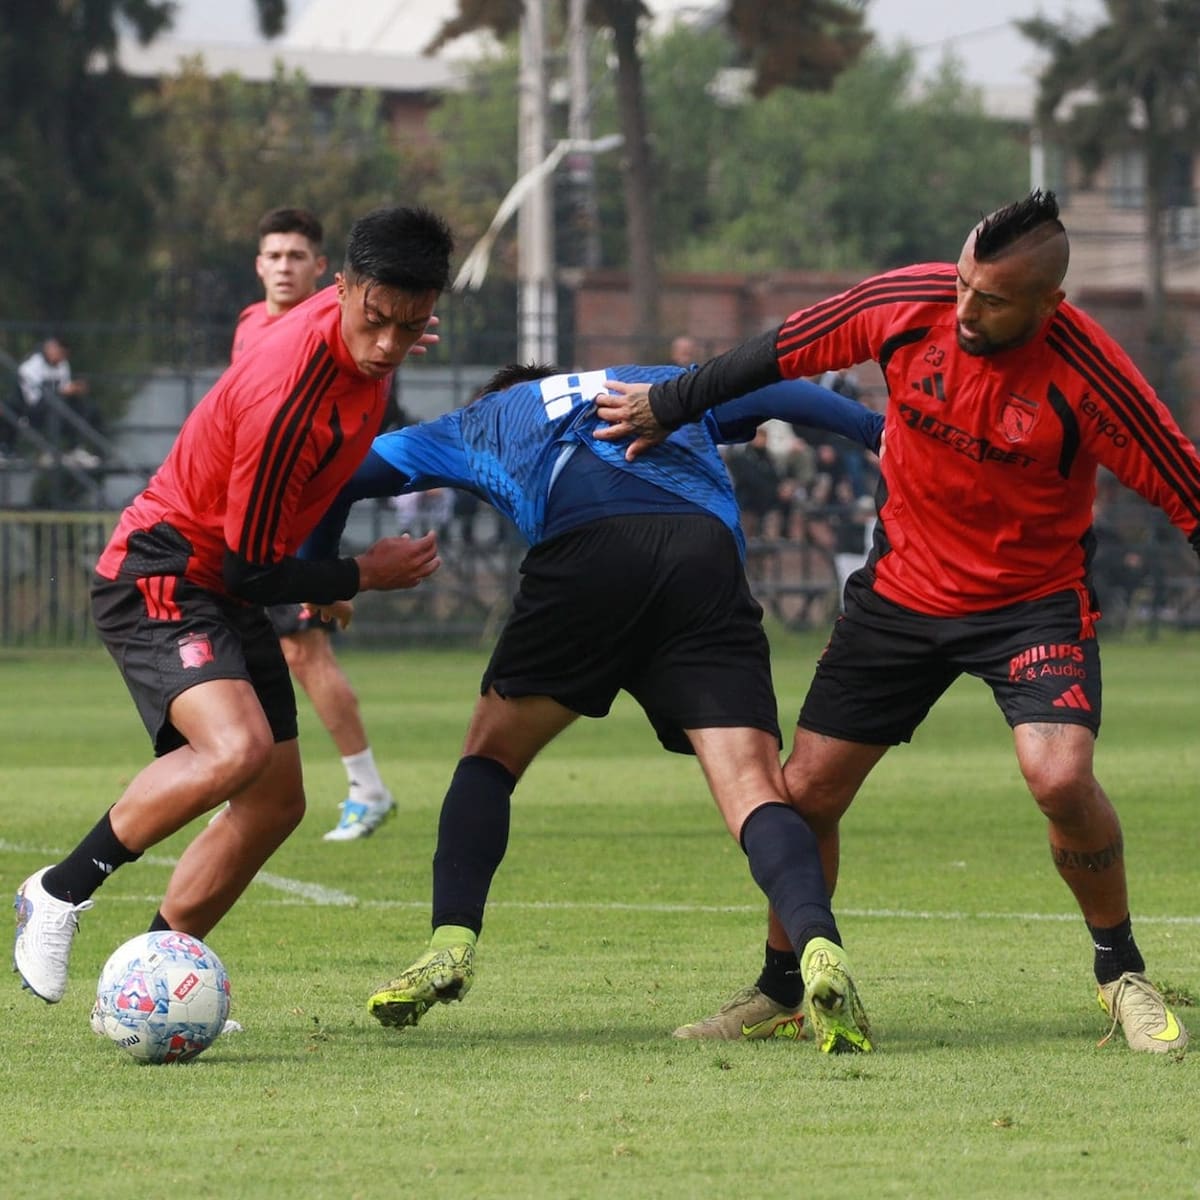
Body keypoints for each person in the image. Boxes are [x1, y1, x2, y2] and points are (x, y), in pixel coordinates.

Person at [593, 190, 1198, 1054]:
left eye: (991, 299)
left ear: (1049, 304)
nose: (965, 308)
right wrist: (673, 402)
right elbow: (777, 352)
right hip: (902, 595)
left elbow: (1187, 489)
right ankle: (782, 988)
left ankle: (1121, 971)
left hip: (1031, 606)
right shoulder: (903, 303)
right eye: (962, 283)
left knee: (1060, 779)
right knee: (804, 795)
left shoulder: (1092, 377)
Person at [304, 362, 885, 1052]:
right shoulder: (655, 380)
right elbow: (783, 389)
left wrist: (327, 579)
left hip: (589, 553)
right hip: (703, 559)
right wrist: (879, 432)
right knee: (754, 789)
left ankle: (449, 943)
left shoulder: (479, 421)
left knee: (490, 758)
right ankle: (816, 948)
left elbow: (337, 473)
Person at [12, 205, 454, 1011]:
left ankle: (151, 981)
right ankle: (59, 891)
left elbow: (257, 561)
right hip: (166, 568)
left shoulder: (357, 323)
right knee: (236, 750)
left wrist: (387, 325)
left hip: (221, 574)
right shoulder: (292, 400)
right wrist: (359, 575)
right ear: (345, 288)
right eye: (377, 320)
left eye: (411, 324)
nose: (388, 344)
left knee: (277, 802)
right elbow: (254, 573)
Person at [232, 206, 412, 842]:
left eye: (296, 256)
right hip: (250, 525)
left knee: (303, 652)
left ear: (321, 271)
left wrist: (322, 560)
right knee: (271, 655)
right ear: (259, 265)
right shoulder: (251, 325)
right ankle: (252, 780)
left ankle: (366, 786)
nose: (284, 266)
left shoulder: (346, 337)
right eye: (273, 255)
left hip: (291, 529)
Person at [15, 336, 100, 468]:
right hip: (32, 410)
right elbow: (32, 398)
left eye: (65, 355)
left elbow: (65, 388)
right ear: (51, 348)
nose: (62, 358)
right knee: (55, 406)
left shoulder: (63, 364)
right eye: (60, 354)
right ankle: (49, 452)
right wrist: (62, 392)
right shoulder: (31, 366)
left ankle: (75, 449)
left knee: (81, 405)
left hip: (56, 404)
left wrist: (75, 389)